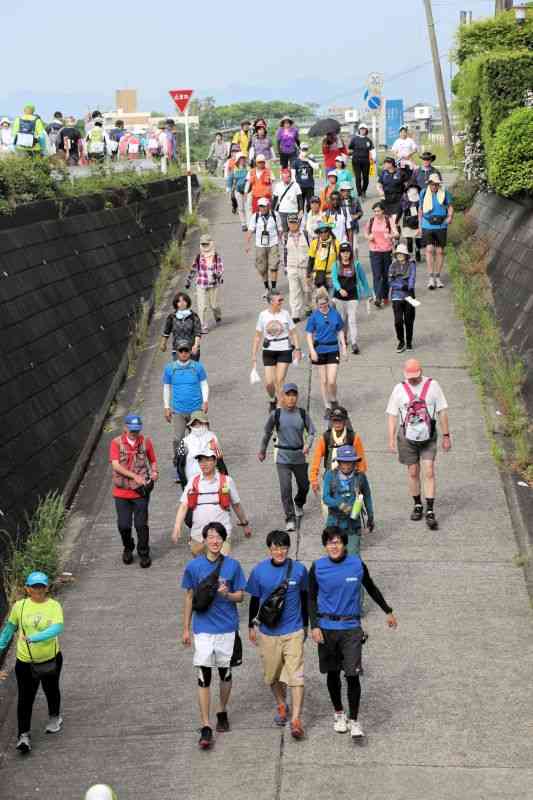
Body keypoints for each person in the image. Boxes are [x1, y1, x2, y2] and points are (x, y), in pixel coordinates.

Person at [309, 527, 398, 739]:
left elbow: (371, 587)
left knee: (352, 676)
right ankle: (339, 713)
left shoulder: (357, 564)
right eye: (330, 542)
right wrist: (314, 626)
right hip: (327, 628)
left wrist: (388, 611)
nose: (334, 546)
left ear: (344, 544)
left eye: (338, 542)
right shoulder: (317, 567)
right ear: (325, 545)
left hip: (350, 629)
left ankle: (355, 720)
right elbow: (311, 598)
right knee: (332, 674)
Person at [181, 521, 247, 749]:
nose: (215, 540)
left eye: (218, 536)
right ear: (204, 540)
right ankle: (206, 725)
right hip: (203, 630)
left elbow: (241, 596)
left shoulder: (233, 566)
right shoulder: (194, 567)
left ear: (224, 539)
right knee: (204, 676)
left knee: (225, 674)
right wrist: (186, 628)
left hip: (227, 628)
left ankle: (222, 711)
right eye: (210, 536)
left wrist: (227, 594)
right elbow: (189, 597)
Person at [246, 530, 308, 738]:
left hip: (293, 631)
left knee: (296, 676)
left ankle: (296, 719)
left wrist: (306, 625)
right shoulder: (259, 571)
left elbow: (306, 598)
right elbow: (254, 600)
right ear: (268, 549)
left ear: (288, 548)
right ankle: (282, 704)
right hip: (267, 632)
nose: (279, 551)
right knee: (272, 675)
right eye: (275, 548)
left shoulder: (299, 570)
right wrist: (250, 626)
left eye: (283, 547)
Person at [0, 571, 64, 754]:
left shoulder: (53, 606)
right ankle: (23, 736)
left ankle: (54, 717)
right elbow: (9, 629)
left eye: (41, 586)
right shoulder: (19, 607)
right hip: (25, 662)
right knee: (25, 698)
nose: (38, 590)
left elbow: (57, 628)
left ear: (46, 588)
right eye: (34, 586)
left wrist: (35, 638)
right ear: (27, 588)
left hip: (51, 659)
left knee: (51, 690)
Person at [386, 358, 451, 530]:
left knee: (429, 470)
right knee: (413, 472)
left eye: (415, 375)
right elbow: (392, 415)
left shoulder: (433, 386)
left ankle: (430, 510)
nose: (413, 379)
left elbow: (442, 411)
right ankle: (417, 504)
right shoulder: (399, 389)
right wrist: (391, 439)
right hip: (407, 437)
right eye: (410, 376)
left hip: (428, 436)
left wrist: (446, 435)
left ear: (421, 371)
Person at [258, 383, 315, 532]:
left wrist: (308, 445)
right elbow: (267, 433)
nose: (291, 398)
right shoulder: (276, 414)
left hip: (299, 456)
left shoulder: (302, 414)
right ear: (282, 397)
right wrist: (262, 450)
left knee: (304, 485)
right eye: (288, 395)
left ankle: (299, 502)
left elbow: (312, 432)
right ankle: (289, 517)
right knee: (285, 488)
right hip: (282, 456)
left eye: (293, 395)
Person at [173, 452, 252, 555]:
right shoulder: (193, 481)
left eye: (207, 460)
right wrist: (177, 526)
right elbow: (184, 506)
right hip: (198, 536)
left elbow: (236, 505)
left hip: (221, 537)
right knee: (201, 569)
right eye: (201, 460)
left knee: (219, 568)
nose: (204, 464)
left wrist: (245, 524)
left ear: (215, 461)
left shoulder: (227, 481)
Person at [109, 414, 158, 567]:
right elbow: (116, 465)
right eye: (131, 430)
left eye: (136, 430)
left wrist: (155, 472)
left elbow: (153, 460)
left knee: (141, 524)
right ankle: (128, 547)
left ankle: (144, 553)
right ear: (125, 428)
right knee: (123, 525)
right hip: (121, 492)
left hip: (140, 492)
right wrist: (134, 476)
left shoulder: (146, 442)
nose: (134, 433)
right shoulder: (116, 443)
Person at [252, 291, 301, 410]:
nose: (281, 302)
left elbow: (294, 333)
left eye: (281, 299)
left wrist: (297, 349)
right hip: (269, 350)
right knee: (269, 383)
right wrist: (254, 354)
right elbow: (258, 336)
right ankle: (272, 399)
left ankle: (280, 407)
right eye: (279, 300)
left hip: (284, 349)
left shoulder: (285, 314)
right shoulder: (263, 315)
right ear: (271, 302)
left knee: (279, 380)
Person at [322, 445, 374, 555]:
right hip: (334, 524)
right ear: (338, 462)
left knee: (353, 556)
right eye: (343, 462)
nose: (347, 465)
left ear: (355, 463)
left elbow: (367, 496)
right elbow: (325, 497)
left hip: (353, 525)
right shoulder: (329, 475)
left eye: (350, 462)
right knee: (335, 556)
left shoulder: (360, 477)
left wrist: (370, 516)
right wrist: (339, 504)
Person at [163, 340, 208, 459]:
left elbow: (204, 384)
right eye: (181, 350)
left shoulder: (197, 367)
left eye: (186, 350)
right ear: (177, 352)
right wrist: (167, 407)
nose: (184, 353)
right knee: (178, 439)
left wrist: (205, 401)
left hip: (196, 410)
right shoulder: (169, 369)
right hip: (178, 410)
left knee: (200, 436)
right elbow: (166, 388)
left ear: (190, 352)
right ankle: (179, 464)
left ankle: (202, 461)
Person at [306, 289, 347, 420]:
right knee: (323, 381)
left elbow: (340, 330)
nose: (322, 306)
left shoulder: (335, 314)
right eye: (320, 305)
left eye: (324, 304)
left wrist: (344, 347)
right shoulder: (314, 316)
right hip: (319, 350)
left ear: (328, 302)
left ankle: (334, 399)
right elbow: (309, 334)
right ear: (317, 305)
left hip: (333, 348)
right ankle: (327, 406)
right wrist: (312, 350)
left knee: (332, 380)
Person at [310, 406, 368, 495]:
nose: (337, 424)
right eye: (334, 421)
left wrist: (360, 478)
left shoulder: (353, 437)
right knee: (328, 503)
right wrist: (314, 479)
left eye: (340, 421)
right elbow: (316, 459)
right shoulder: (325, 437)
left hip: (349, 477)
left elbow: (361, 459)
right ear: (331, 421)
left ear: (345, 421)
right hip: (330, 476)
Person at [331, 241, 371, 355]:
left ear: (350, 253)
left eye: (347, 251)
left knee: (352, 320)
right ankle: (343, 338)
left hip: (353, 296)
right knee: (342, 320)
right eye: (343, 252)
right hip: (339, 296)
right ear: (340, 253)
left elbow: (363, 279)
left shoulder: (356, 264)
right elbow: (334, 279)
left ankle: (354, 343)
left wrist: (368, 293)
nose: (345, 254)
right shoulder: (336, 264)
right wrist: (339, 289)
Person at [419, 174, 454, 290]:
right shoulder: (423, 193)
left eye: (436, 184)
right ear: (429, 183)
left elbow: (450, 207)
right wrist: (420, 226)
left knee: (439, 251)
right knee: (429, 250)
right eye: (433, 184)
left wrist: (450, 217)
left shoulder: (444, 193)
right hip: (427, 224)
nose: (434, 186)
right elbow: (420, 209)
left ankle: (437, 277)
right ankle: (430, 277)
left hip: (441, 225)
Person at [185, 234, 224, 333]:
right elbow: (193, 268)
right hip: (201, 283)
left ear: (211, 243)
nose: (205, 246)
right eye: (203, 244)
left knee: (214, 305)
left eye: (207, 244)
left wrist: (218, 275)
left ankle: (217, 315)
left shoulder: (215, 256)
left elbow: (220, 268)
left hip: (213, 284)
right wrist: (188, 281)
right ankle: (202, 325)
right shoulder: (199, 256)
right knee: (202, 306)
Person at [175, 410, 224, 487]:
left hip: (213, 481)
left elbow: (220, 461)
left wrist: (225, 480)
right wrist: (184, 485)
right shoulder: (184, 442)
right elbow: (180, 466)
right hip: (193, 482)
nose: (197, 426)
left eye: (200, 423)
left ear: (206, 424)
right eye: (195, 424)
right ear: (191, 425)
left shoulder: (213, 437)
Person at [364, 201, 398, 308]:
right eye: (374, 211)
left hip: (387, 250)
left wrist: (390, 236)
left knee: (385, 274)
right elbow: (365, 232)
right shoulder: (371, 220)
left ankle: (385, 296)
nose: (376, 213)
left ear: (383, 211)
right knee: (376, 274)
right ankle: (378, 298)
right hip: (374, 250)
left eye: (378, 211)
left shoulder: (389, 220)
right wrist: (368, 237)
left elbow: (396, 233)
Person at [247, 197, 280, 298]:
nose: (262, 208)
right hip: (260, 245)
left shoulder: (275, 215)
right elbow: (250, 230)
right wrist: (247, 244)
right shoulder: (255, 216)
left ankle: (273, 288)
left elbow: (280, 229)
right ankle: (267, 288)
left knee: (274, 266)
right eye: (260, 206)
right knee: (262, 268)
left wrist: (283, 241)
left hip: (273, 243)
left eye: (264, 206)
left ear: (268, 206)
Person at [389, 243, 417, 353]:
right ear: (396, 255)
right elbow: (390, 281)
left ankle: (409, 341)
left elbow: (412, 277)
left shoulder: (411, 265)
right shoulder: (392, 266)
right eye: (398, 254)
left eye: (402, 254)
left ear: (406, 255)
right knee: (398, 321)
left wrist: (409, 286)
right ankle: (401, 341)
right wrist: (401, 286)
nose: (400, 255)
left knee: (409, 320)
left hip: (409, 295)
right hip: (396, 296)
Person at [160, 290, 202, 361]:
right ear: (176, 304)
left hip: (192, 349)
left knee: (192, 370)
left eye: (184, 301)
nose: (182, 303)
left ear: (187, 302)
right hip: (177, 350)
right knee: (179, 371)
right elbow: (166, 332)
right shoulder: (172, 317)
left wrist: (196, 345)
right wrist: (163, 344)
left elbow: (197, 333)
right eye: (179, 301)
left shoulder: (193, 316)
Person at [286, 214, 311, 322]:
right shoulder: (285, 236)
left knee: (307, 290)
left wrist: (311, 268)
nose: (292, 225)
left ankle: (308, 307)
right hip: (292, 267)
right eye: (290, 223)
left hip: (304, 267)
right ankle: (295, 314)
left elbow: (312, 251)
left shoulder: (306, 234)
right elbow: (284, 252)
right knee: (294, 291)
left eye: (294, 222)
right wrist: (285, 268)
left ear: (298, 223)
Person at [307, 222, 339, 294]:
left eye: (325, 231)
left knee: (332, 302)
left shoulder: (336, 243)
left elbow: (340, 260)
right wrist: (308, 275)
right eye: (321, 232)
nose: (323, 234)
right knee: (321, 302)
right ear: (318, 233)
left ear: (329, 231)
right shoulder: (315, 243)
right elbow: (311, 260)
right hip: (319, 277)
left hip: (332, 276)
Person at [272, 168, 303, 235]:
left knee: (294, 230)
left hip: (293, 211)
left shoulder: (296, 185)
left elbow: (300, 198)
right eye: (284, 177)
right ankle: (285, 244)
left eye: (287, 177)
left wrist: (301, 209)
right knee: (284, 230)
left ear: (290, 177)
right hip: (282, 212)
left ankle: (294, 243)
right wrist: (271, 210)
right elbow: (275, 199)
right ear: (282, 177)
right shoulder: (278, 185)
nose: (285, 179)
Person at [348, 123, 374, 198]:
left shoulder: (368, 140)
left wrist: (374, 158)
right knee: (358, 177)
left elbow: (372, 150)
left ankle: (363, 191)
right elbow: (350, 148)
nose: (363, 130)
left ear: (366, 130)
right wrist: (350, 155)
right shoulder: (354, 139)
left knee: (366, 177)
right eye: (361, 129)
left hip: (366, 161)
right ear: (359, 130)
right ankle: (359, 193)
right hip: (356, 161)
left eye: (364, 129)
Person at [399, 184, 423, 262]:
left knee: (418, 240)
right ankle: (410, 255)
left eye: (414, 189)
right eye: (411, 189)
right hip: (407, 221)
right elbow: (401, 210)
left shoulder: (421, 199)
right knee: (409, 240)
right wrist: (396, 221)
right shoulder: (404, 199)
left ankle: (417, 250)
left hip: (417, 221)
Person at [377, 157, 404, 223]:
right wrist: (380, 190)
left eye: (385, 163)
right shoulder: (384, 173)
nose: (384, 165)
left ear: (391, 164)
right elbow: (379, 184)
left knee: (394, 221)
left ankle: (396, 231)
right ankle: (393, 231)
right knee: (387, 221)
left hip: (397, 199)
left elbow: (406, 184)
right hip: (386, 199)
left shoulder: (400, 173)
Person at [338, 183, 363, 251]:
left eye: (348, 191)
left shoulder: (355, 200)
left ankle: (355, 261)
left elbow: (360, 212)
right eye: (344, 191)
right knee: (342, 247)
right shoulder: (337, 201)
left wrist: (356, 215)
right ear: (341, 191)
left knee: (354, 248)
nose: (346, 193)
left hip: (353, 227)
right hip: (341, 229)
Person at [292, 143, 317, 212]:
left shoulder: (311, 159)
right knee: (300, 206)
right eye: (303, 149)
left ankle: (309, 220)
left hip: (309, 186)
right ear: (300, 150)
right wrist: (295, 186)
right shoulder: (296, 161)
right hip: (300, 187)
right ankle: (299, 221)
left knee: (310, 205)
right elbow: (293, 175)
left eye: (306, 149)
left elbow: (316, 167)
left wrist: (308, 160)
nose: (304, 151)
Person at [231, 152, 249, 230]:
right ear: (238, 160)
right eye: (241, 159)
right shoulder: (235, 169)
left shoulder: (248, 168)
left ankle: (249, 223)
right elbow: (233, 180)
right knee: (241, 208)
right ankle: (243, 224)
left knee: (248, 208)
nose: (242, 160)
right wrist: (232, 189)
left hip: (247, 191)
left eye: (243, 159)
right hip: (238, 191)